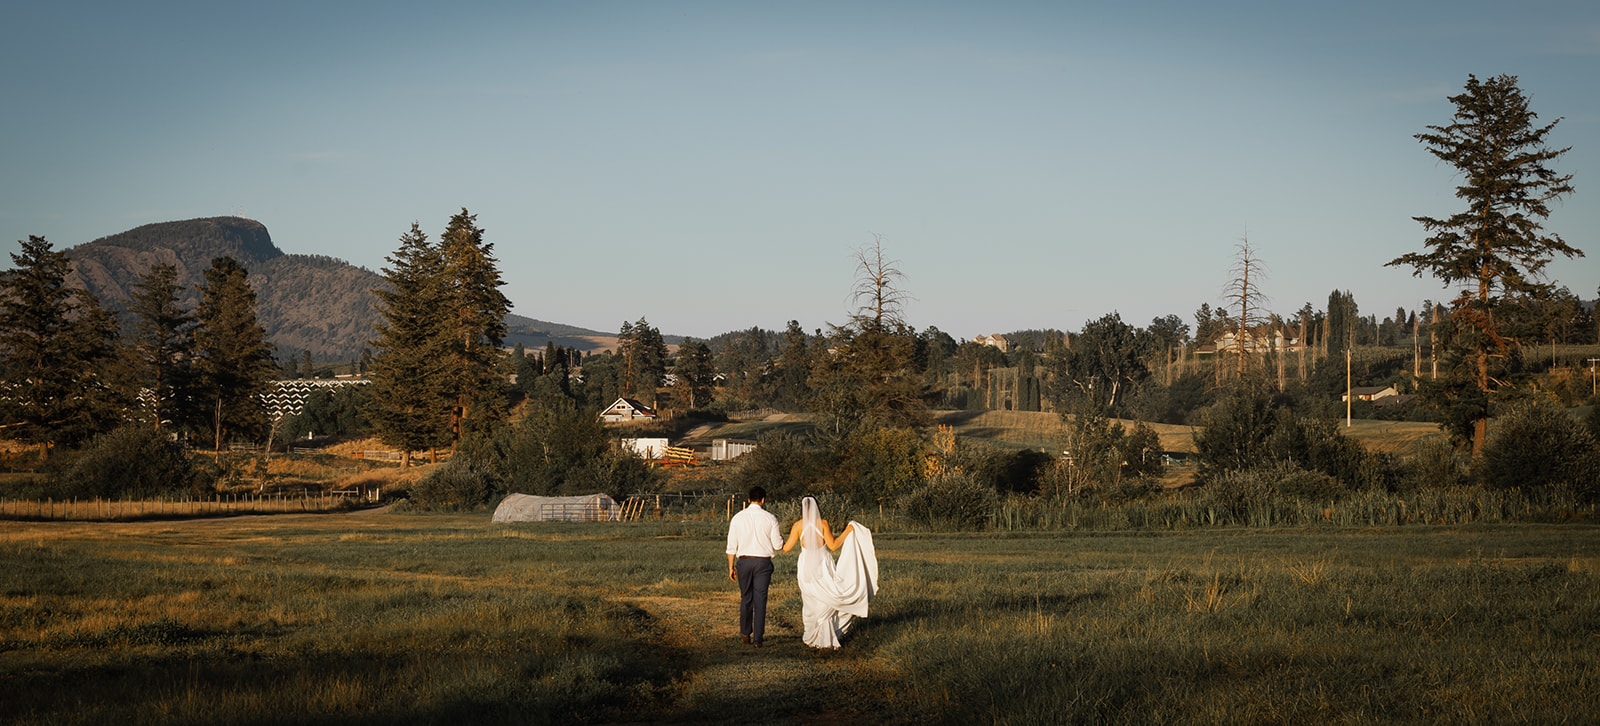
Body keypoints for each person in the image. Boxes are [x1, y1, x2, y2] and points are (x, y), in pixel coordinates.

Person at [781, 496, 878, 649]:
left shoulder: (798, 526)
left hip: (806, 567)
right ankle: (826, 637)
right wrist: (847, 531)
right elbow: (833, 546)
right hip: (823, 565)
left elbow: (786, 548)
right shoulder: (823, 523)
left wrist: (777, 539)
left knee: (811, 601)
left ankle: (814, 637)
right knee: (827, 599)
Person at [726, 485, 783, 647]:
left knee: (746, 598)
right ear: (763, 500)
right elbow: (778, 545)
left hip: (744, 561)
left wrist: (731, 567)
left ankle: (745, 633)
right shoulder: (770, 518)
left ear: (749, 500)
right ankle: (758, 637)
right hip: (763, 562)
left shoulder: (737, 518)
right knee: (760, 600)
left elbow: (731, 546)